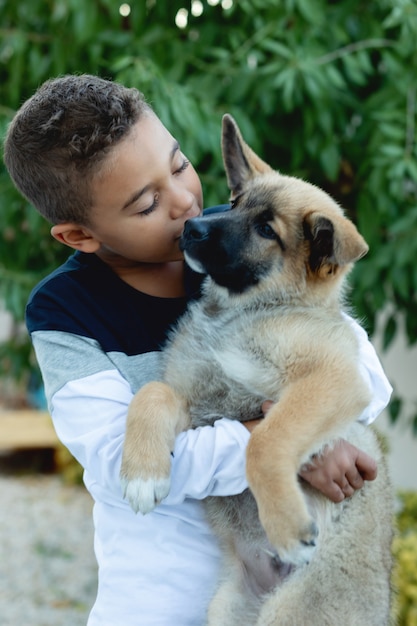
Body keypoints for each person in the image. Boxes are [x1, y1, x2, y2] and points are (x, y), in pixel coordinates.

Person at [3, 74, 392, 625]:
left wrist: (295, 432)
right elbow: (124, 466)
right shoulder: (64, 313)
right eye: (146, 204)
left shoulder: (234, 265)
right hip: (157, 602)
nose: (187, 203)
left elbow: (362, 379)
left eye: (180, 164)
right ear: (79, 235)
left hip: (296, 586)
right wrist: (284, 443)